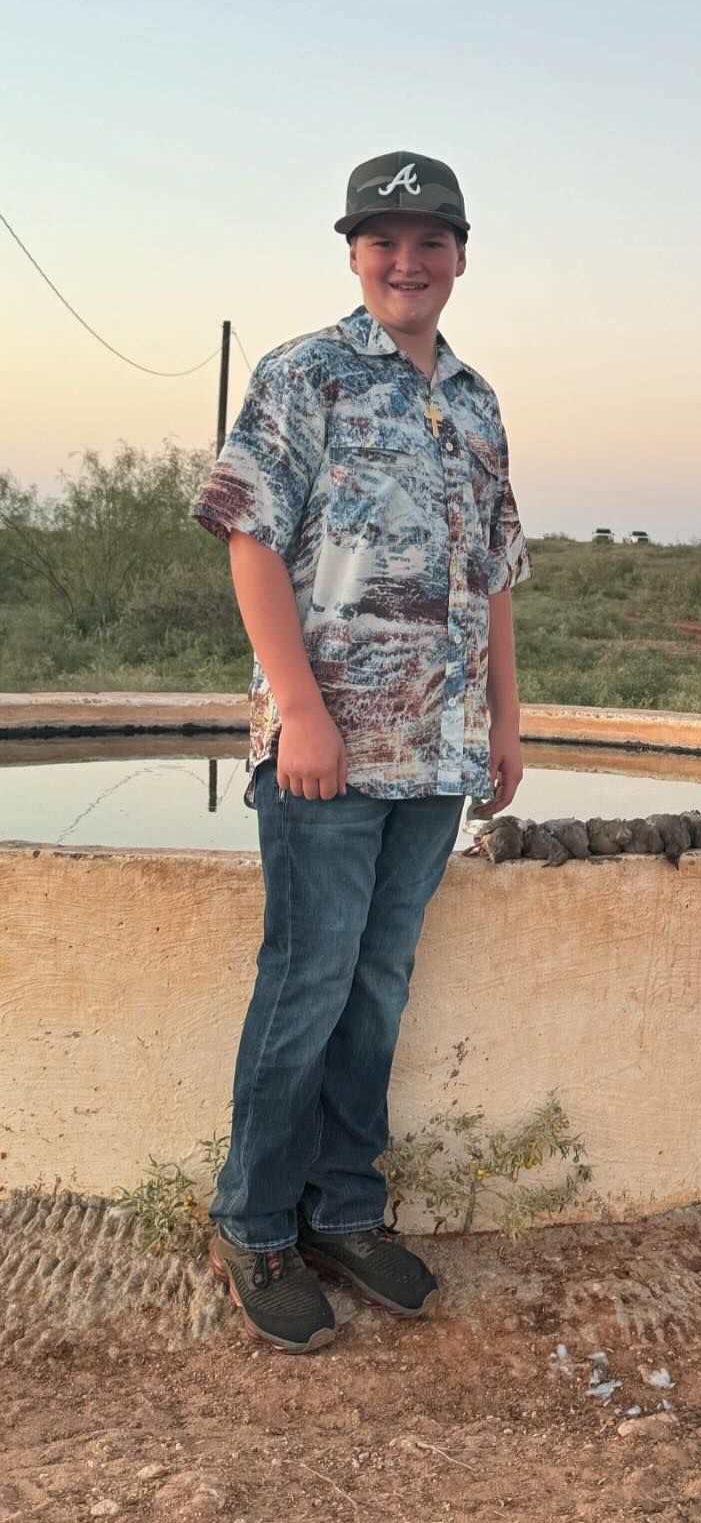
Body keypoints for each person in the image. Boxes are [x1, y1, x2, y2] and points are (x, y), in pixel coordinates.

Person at [193, 152, 529, 1352]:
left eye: (429, 239)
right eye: (383, 240)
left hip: (437, 759)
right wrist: (302, 711)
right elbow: (250, 542)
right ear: (353, 254)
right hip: (327, 755)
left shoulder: (478, 400)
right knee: (307, 983)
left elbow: (492, 571)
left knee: (378, 988)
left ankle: (344, 1208)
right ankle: (255, 1220)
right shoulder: (307, 374)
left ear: (459, 256)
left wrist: (506, 717)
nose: (407, 260)